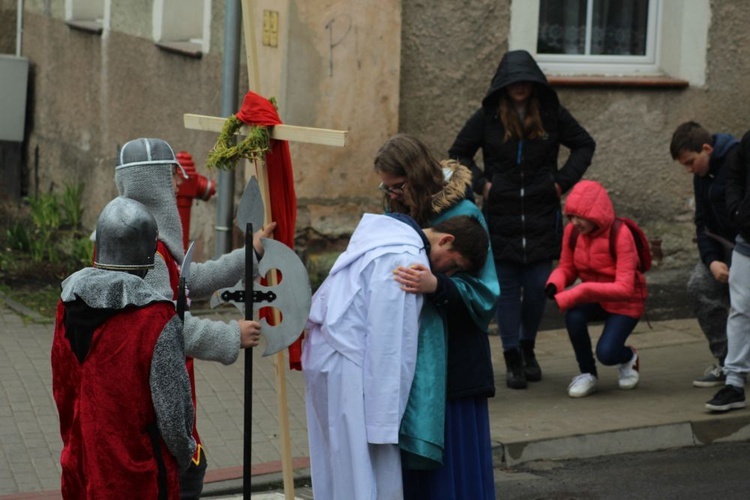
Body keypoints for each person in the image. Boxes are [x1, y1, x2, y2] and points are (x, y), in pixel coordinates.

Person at [114, 137, 269, 498]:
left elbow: (188, 281)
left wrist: (249, 254)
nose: (175, 185)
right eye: (170, 177)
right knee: (177, 475)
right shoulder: (143, 250)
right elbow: (162, 328)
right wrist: (231, 336)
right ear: (152, 182)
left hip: (167, 384)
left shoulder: (148, 242)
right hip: (154, 393)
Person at [303, 212, 489, 500]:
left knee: (335, 460)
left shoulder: (382, 237)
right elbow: (390, 342)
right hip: (353, 366)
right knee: (365, 471)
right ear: (446, 241)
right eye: (452, 265)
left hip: (328, 354)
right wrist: (385, 422)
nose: (446, 275)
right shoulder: (407, 259)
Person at [449, 49, 595, 389]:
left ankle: (529, 349)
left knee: (536, 290)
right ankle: (512, 355)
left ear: (534, 83)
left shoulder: (551, 113)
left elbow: (584, 145)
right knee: (506, 291)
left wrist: (560, 182)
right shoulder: (488, 117)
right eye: (513, 82)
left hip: (542, 218)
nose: (519, 87)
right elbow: (458, 153)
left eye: (525, 81)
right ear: (503, 84)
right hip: (502, 218)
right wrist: (484, 184)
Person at [374, 133, 499, 499]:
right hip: (408, 360)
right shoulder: (396, 213)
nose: (391, 195)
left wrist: (438, 287)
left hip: (453, 366)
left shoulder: (464, 216)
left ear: (416, 176)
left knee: (453, 471)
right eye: (386, 187)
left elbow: (486, 293)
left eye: (397, 187)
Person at [51, 197, 198, 499]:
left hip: (81, 460)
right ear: (147, 254)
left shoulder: (67, 304)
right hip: (136, 475)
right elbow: (172, 414)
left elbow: (63, 389)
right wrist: (186, 453)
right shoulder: (155, 319)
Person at [545, 180, 646, 398]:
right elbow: (567, 266)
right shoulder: (572, 232)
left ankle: (628, 356)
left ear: (596, 214)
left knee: (607, 354)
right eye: (571, 216)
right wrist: (555, 283)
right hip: (596, 298)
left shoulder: (621, 234)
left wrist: (581, 291)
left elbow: (624, 288)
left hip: (625, 303)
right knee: (574, 317)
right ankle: (587, 374)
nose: (575, 222)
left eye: (580, 216)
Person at [670, 121, 739, 387]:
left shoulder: (738, 161)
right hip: (722, 250)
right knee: (699, 286)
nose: (689, 170)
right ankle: (726, 360)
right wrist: (712, 262)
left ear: (707, 149)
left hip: (744, 246)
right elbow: (703, 224)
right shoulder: (702, 176)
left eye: (690, 162)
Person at [706, 129, 750, 412]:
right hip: (748, 239)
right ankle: (734, 383)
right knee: (740, 308)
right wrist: (737, 211)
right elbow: (735, 176)